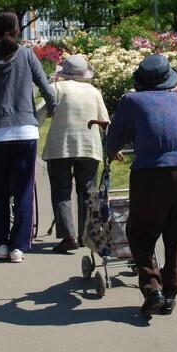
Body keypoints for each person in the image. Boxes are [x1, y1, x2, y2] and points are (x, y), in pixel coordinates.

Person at [106, 54, 177, 317]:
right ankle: (169, 294)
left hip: (149, 173)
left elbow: (115, 136)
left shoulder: (130, 100)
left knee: (140, 233)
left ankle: (153, 288)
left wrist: (111, 151)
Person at [0, 11, 56, 264]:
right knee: (23, 190)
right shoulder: (27, 55)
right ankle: (19, 247)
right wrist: (51, 107)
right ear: (17, 29)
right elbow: (46, 88)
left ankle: (0, 244)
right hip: (25, 131)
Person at [40, 55, 109, 253]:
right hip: (89, 147)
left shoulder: (57, 88)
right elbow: (104, 121)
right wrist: (112, 146)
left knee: (61, 191)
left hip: (60, 147)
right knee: (87, 192)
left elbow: (40, 113)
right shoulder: (94, 92)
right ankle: (85, 235)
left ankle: (68, 236)